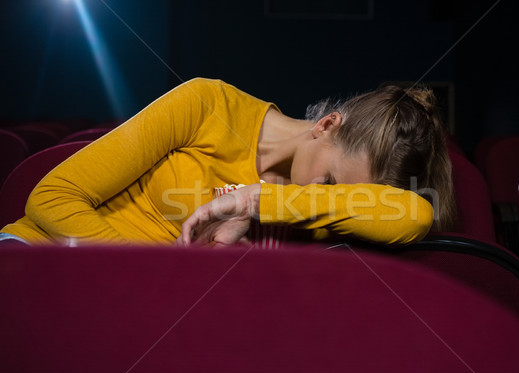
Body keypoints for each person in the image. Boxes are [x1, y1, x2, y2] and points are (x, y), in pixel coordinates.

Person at [0, 78, 455, 247]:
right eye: (331, 179)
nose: (320, 197)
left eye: (343, 194)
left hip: (133, 311)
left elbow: (415, 216)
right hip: (38, 257)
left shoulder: (311, 211)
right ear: (327, 125)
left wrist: (255, 201)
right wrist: (165, 275)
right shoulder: (207, 105)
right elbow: (52, 199)